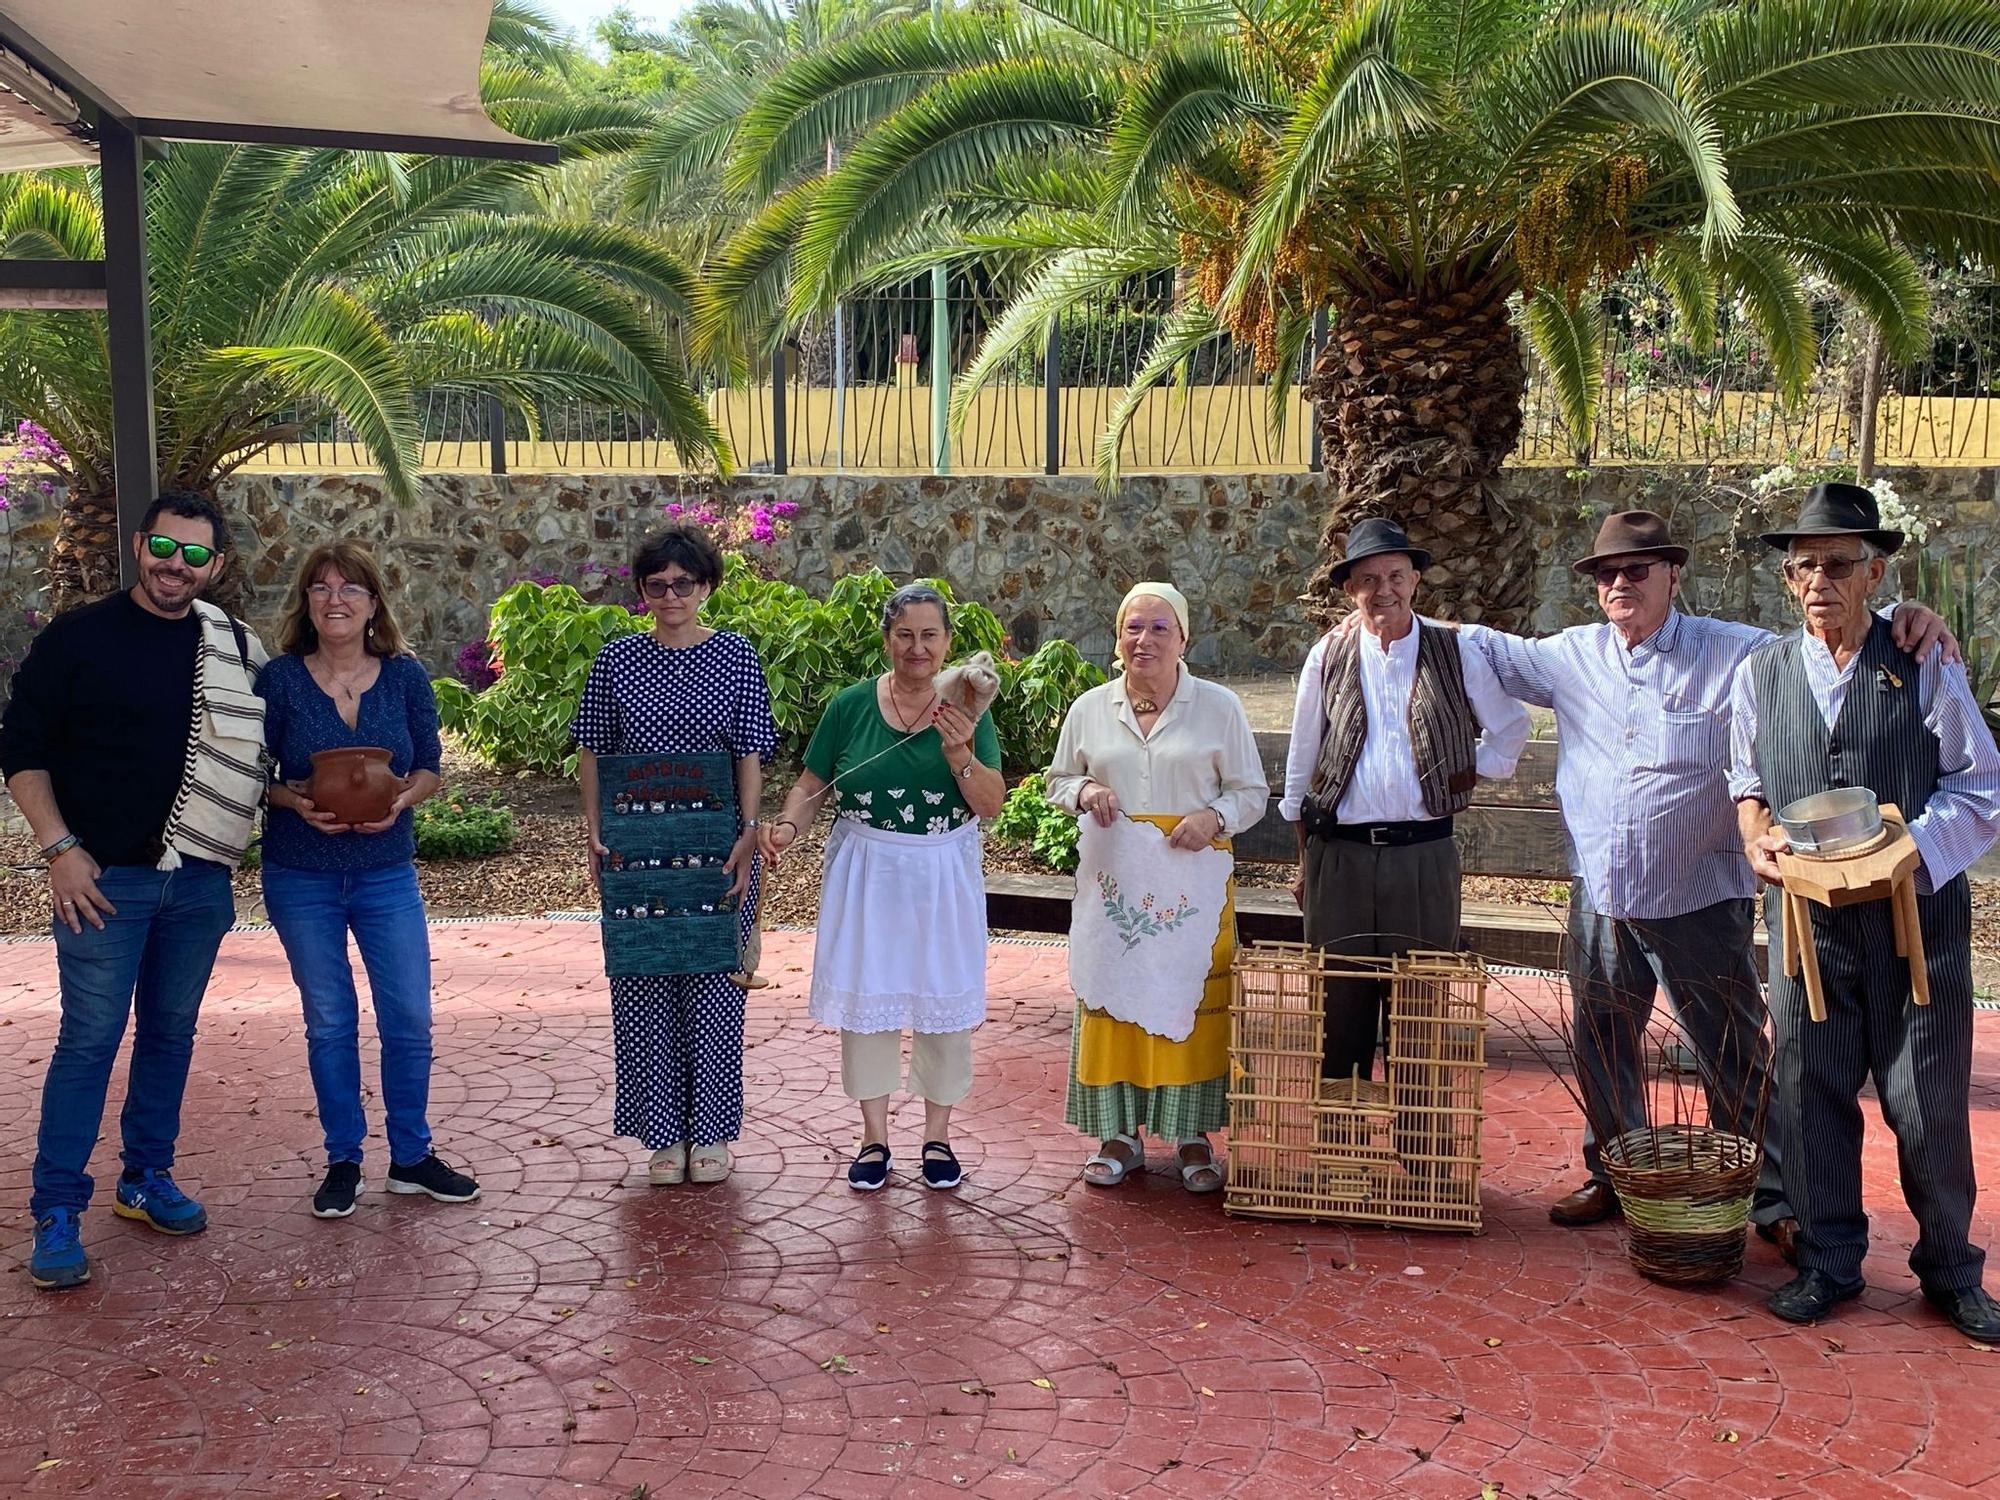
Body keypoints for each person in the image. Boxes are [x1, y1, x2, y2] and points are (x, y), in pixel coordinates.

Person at [1458, 511, 1956, 1253]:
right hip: (1603, 890)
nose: (1619, 583)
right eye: (1606, 574)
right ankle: (1615, 1170)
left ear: (1672, 576)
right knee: (1602, 1040)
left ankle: (1771, 1194)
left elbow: (1824, 640)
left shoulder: (1736, 652)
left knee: (1732, 1052)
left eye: (1637, 570)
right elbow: (1473, 645)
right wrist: (1381, 608)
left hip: (1698, 893)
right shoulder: (1569, 656)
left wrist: (1905, 618)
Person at [1730, 482, 2000, 1338]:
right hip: (1808, 933)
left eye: (1839, 564)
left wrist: (1907, 849)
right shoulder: (1760, 673)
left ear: (1876, 574)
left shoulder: (1923, 661)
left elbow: (1981, 784)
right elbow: (1747, 786)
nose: (1820, 580)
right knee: (1810, 1097)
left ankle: (1952, 1270)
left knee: (1925, 1105)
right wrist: (1756, 841)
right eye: (1804, 565)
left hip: (1914, 926)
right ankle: (1830, 1262)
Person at [0, 490, 267, 1289]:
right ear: (137, 545)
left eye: (193, 555)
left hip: (197, 880)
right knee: (88, 1040)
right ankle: (56, 1210)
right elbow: (20, 750)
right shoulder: (79, 638)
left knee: (169, 1036)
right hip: (101, 884)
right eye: (162, 547)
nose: (173, 567)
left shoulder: (235, 648)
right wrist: (60, 850)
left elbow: (262, 757)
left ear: (214, 566)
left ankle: (144, 1179)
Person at [258, 542, 478, 1218]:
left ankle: (411, 1156)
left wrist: (400, 803)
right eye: (321, 588)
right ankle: (344, 1159)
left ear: (373, 602)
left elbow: (432, 768)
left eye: (350, 588)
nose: (335, 599)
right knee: (330, 1020)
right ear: (306, 603)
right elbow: (250, 773)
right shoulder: (280, 680)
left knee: (409, 1017)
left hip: (386, 874)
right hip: (302, 874)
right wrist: (296, 803)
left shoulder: (406, 678)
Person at [762, 583, 1006, 1192]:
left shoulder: (970, 708)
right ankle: (873, 1138)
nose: (917, 648)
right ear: (887, 640)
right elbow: (812, 780)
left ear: (947, 642)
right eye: (905, 635)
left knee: (941, 1002)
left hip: (941, 871)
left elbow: (992, 805)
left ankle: (938, 1138)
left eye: (929, 635)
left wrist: (960, 755)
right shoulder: (848, 706)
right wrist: (791, 824)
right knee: (868, 1003)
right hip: (868, 871)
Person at [1281, 517, 1529, 1084]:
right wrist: (1304, 863)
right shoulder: (1327, 653)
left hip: (1423, 858)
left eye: (1395, 575)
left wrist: (1462, 773)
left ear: (1416, 580)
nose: (1383, 590)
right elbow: (1301, 766)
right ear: (1350, 590)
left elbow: (1510, 730)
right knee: (1337, 1010)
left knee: (1420, 1015)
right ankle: (1341, 1155)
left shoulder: (1454, 649)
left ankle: (1420, 1160)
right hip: (1337, 857)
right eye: (1368, 579)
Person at [572, 526, 778, 1187]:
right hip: (637, 849)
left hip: (717, 847)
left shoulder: (736, 658)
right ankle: (663, 1136)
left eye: (683, 583)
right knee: (643, 986)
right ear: (641, 590)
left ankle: (711, 1133)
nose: (670, 594)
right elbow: (593, 750)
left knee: (716, 989)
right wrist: (594, 833)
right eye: (657, 584)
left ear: (706, 586)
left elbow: (750, 752)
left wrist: (750, 831)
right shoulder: (617, 661)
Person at [1045, 583, 1268, 1191]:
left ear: (1184, 638)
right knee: (1115, 1002)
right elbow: (1058, 781)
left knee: (1189, 1008)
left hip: (1191, 887)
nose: (1144, 640)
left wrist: (1214, 818)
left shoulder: (1218, 707)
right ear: (1118, 639)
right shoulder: (1091, 708)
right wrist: (1086, 792)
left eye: (1159, 628)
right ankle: (1121, 1137)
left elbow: (1250, 793)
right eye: (1132, 628)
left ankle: (1193, 1138)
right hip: (1117, 887)